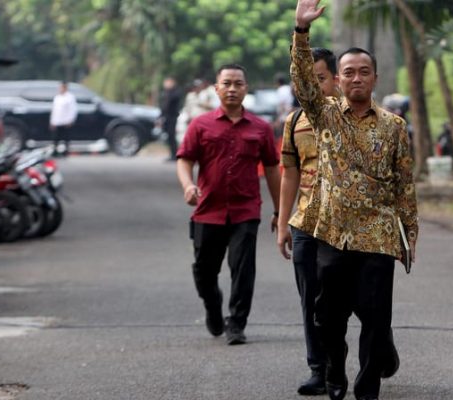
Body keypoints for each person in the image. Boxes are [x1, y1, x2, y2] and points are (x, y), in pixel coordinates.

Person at [291, 1, 419, 399]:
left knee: (377, 319)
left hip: (378, 237)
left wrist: (408, 235)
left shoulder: (394, 127)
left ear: (375, 78)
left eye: (364, 72)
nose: (356, 78)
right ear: (339, 80)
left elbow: (404, 184)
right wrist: (301, 30)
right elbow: (302, 83)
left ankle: (367, 389)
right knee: (328, 318)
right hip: (333, 233)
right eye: (348, 73)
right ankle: (334, 373)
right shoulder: (324, 113)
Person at [176, 64, 281, 346]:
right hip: (207, 211)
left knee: (243, 269)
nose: (232, 89)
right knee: (203, 270)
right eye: (227, 83)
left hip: (245, 211)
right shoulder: (200, 125)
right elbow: (185, 160)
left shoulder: (260, 128)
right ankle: (213, 304)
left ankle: (236, 323)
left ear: (246, 88)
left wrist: (279, 210)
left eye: (238, 83)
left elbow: (272, 168)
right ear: (217, 88)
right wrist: (188, 185)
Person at [277, 47, 338, 396]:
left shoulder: (349, 116)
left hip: (346, 223)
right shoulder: (294, 121)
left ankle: (379, 345)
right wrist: (284, 223)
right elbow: (289, 173)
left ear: (335, 79)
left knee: (359, 297)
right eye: (304, 81)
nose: (312, 87)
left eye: (320, 79)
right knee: (310, 298)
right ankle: (319, 367)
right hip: (305, 223)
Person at [49, 81, 78, 157]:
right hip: (57, 121)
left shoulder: (70, 97)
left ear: (65, 87)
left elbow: (73, 110)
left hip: (65, 121)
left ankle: (66, 151)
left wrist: (70, 120)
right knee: (56, 138)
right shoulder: (57, 97)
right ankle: (55, 151)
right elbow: (54, 110)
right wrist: (52, 121)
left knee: (66, 137)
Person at [159, 77, 182, 161]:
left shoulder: (175, 92)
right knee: (169, 137)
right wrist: (160, 117)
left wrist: (168, 92)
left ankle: (175, 154)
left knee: (172, 136)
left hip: (173, 117)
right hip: (166, 117)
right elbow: (163, 107)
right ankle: (172, 154)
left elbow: (171, 101)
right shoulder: (165, 93)